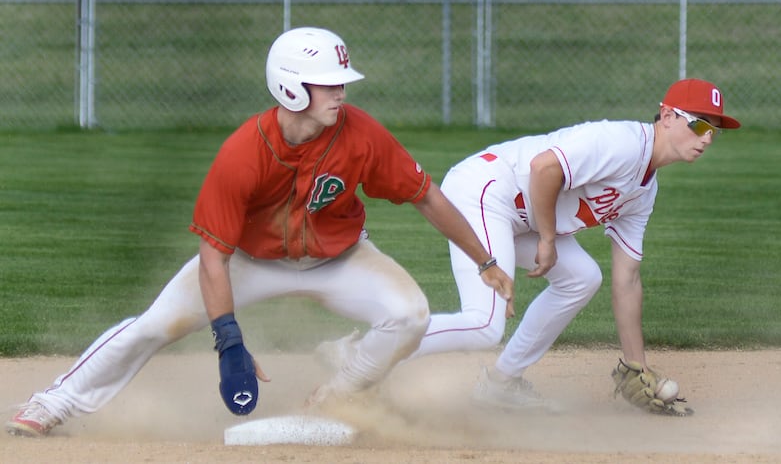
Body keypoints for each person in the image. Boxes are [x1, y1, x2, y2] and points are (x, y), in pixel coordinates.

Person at [5, 27, 513, 438]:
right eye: (328, 82)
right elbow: (213, 257)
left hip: (340, 260)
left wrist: (485, 262)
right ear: (291, 87)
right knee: (154, 325)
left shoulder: (360, 133)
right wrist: (229, 340)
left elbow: (425, 193)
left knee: (409, 316)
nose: (341, 91)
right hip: (248, 261)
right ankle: (53, 402)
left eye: (341, 82)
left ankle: (339, 393)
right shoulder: (242, 153)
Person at [320, 77, 738, 411]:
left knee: (583, 277)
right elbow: (544, 166)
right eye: (698, 123)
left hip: (521, 217)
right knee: (484, 324)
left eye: (713, 129)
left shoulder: (644, 191)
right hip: (485, 191)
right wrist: (549, 239)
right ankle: (360, 351)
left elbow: (626, 280)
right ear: (667, 116)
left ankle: (501, 383)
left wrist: (637, 363)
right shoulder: (624, 143)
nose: (706, 137)